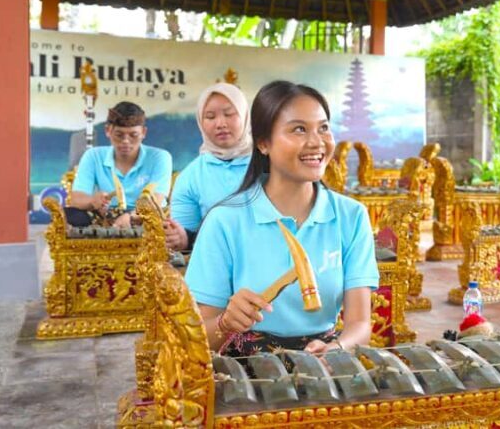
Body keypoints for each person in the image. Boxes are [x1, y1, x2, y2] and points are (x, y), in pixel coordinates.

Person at [185, 80, 378, 356]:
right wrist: (226, 322)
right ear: (263, 143)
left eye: (323, 128)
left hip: (325, 359)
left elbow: (360, 324)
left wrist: (336, 347)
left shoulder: (351, 216)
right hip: (246, 371)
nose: (316, 142)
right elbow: (199, 337)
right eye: (299, 129)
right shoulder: (225, 221)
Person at [164, 83, 252, 250]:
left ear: (245, 116)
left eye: (229, 114)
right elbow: (186, 234)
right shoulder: (190, 177)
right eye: (210, 117)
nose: (220, 123)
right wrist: (184, 239)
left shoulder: (271, 163)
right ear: (200, 122)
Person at [68, 101, 172, 228]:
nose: (126, 141)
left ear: (143, 133)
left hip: (143, 216)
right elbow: (77, 199)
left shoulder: (160, 157)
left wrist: (131, 217)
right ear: (108, 131)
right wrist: (93, 201)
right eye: (119, 135)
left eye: (133, 135)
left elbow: (156, 200)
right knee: (71, 215)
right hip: (106, 214)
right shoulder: (93, 156)